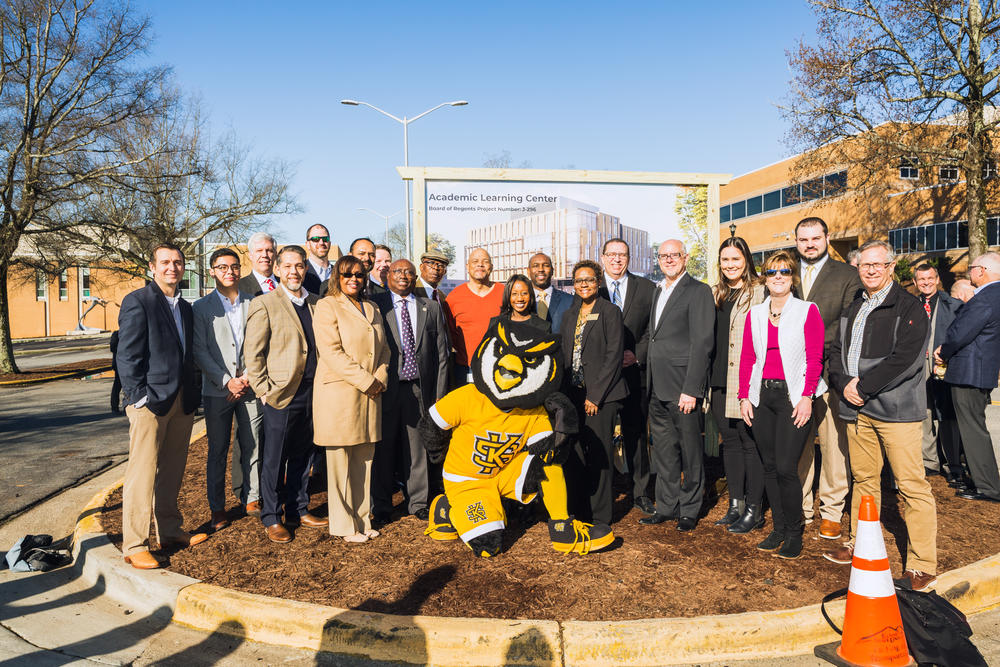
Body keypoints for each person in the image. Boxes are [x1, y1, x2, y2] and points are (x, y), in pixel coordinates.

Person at [825, 240, 937, 592]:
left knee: (911, 486)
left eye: (878, 264)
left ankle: (922, 563)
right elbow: (837, 352)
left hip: (896, 412)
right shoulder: (854, 305)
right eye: (864, 265)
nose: (871, 270)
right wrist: (844, 384)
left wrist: (864, 385)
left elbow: (905, 359)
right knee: (864, 480)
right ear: (857, 268)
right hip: (858, 409)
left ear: (891, 266)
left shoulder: (909, 307)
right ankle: (860, 543)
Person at [117, 243, 207, 569]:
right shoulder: (138, 301)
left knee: (172, 471)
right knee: (142, 473)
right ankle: (135, 543)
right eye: (165, 262)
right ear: (152, 267)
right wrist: (139, 397)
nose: (173, 267)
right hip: (149, 403)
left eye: (178, 262)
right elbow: (126, 356)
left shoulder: (185, 308)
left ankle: (169, 531)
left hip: (181, 401)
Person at [738, 251, 825, 559]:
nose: (778, 277)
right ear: (765, 277)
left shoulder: (807, 311)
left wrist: (807, 396)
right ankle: (777, 527)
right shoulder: (756, 314)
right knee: (770, 466)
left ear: (792, 278)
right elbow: (748, 358)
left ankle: (793, 531)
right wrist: (743, 396)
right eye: (772, 272)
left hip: (793, 397)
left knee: (787, 468)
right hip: (762, 397)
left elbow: (815, 358)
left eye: (784, 272)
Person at [244, 245, 328, 543]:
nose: (294, 271)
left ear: (306, 269)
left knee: (304, 456)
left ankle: (298, 508)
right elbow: (253, 354)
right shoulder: (265, 303)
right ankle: (271, 516)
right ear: (277, 270)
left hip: (313, 392)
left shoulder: (318, 303)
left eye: (300, 266)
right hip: (280, 394)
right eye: (288, 266)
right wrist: (263, 389)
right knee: (275, 458)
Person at [313, 255, 390, 543]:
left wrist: (380, 377)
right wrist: (366, 380)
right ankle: (345, 526)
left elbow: (384, 350)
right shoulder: (327, 306)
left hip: (370, 395)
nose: (353, 279)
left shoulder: (372, 307)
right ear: (337, 277)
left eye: (358, 274)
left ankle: (362, 519)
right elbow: (331, 352)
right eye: (347, 274)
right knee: (340, 464)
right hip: (340, 395)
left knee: (363, 461)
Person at [794, 217, 862, 541]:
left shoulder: (847, 275)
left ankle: (832, 510)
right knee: (799, 441)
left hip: (830, 368)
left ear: (827, 238)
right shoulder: (786, 273)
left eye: (815, 238)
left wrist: (819, 353)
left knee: (834, 443)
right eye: (803, 239)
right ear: (796, 242)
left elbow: (847, 324)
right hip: (793, 371)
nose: (809, 244)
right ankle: (802, 505)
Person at [642, 240, 714, 531]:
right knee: (664, 451)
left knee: (690, 451)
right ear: (658, 259)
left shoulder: (698, 291)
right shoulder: (659, 290)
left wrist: (692, 388)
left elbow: (703, 342)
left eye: (675, 255)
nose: (669, 259)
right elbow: (655, 336)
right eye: (663, 255)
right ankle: (667, 506)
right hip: (657, 387)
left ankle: (689, 509)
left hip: (683, 388)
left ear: (685, 258)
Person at [371, 259, 449, 525]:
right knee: (384, 448)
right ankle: (381, 505)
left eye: (409, 272)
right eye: (398, 271)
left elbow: (441, 354)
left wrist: (439, 393)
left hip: (420, 388)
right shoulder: (376, 306)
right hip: (386, 388)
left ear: (415, 277)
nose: (404, 276)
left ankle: (418, 502)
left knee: (418, 449)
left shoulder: (431, 307)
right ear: (388, 275)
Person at [192, 248, 263, 530]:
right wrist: (226, 381)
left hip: (250, 387)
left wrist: (245, 378)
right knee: (217, 450)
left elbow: (260, 344)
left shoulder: (255, 302)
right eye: (222, 267)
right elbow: (200, 350)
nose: (229, 272)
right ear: (212, 271)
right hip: (217, 389)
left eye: (234, 267)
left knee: (253, 444)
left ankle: (252, 497)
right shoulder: (201, 307)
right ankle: (218, 508)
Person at [559, 260, 628, 526]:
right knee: (575, 454)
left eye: (588, 280)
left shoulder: (610, 311)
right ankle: (579, 511)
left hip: (602, 397)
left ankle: (600, 517)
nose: (583, 285)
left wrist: (595, 395)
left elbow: (614, 356)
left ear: (598, 282)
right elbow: (565, 354)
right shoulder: (570, 314)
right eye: (578, 281)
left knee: (599, 456)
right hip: (573, 395)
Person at [709, 237, 766, 533]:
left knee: (749, 442)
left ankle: (754, 510)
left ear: (746, 260)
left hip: (745, 379)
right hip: (718, 379)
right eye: (725, 260)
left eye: (736, 259)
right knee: (729, 443)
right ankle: (736, 504)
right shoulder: (715, 293)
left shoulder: (759, 292)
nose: (730, 265)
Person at [598, 238, 657, 515]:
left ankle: (641, 492)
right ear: (602, 258)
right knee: (602, 435)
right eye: (611, 254)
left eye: (622, 255)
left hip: (635, 373)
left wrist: (638, 353)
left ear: (629, 258)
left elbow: (652, 329)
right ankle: (603, 495)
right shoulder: (591, 289)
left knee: (635, 434)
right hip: (601, 378)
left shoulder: (646, 288)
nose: (617, 260)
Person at [935, 251, 1000, 503]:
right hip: (979, 372)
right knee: (975, 427)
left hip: (969, 373)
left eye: (971, 267)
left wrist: (944, 352)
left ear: (981, 271)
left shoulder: (985, 298)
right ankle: (985, 482)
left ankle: (988, 487)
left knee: (973, 430)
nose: (969, 272)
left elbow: (961, 332)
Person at [912, 263, 964, 483]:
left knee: (947, 415)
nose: (926, 283)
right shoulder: (910, 305)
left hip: (944, 365)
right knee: (924, 414)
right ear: (915, 282)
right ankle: (929, 462)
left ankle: (953, 464)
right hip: (917, 366)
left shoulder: (953, 305)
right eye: (922, 279)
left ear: (937, 279)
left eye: (930, 278)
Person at [445, 248, 504, 384]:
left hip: (500, 366)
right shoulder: (454, 297)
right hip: (466, 369)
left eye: (485, 261)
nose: (480, 265)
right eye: (475, 261)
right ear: (467, 267)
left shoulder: (505, 293)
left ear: (491, 267)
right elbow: (450, 334)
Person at [319, 237, 385, 297]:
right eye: (361, 253)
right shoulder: (328, 287)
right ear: (349, 255)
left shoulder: (381, 292)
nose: (367, 258)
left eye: (372, 255)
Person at [527, 252, 573, 333]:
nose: (541, 269)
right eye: (536, 266)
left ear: (552, 271)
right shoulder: (520, 302)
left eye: (546, 265)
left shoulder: (569, 301)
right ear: (528, 271)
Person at [302, 224, 341, 296]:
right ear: (307, 244)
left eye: (325, 239)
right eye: (315, 239)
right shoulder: (301, 272)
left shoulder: (339, 273)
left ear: (329, 243)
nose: (321, 243)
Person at [238, 232, 279, 296]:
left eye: (269, 251)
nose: (264, 255)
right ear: (250, 255)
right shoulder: (238, 287)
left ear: (275, 255)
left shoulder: (286, 285)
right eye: (259, 251)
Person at [109, 330, 122, 414]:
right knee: (117, 386)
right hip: (119, 364)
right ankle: (114, 407)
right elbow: (112, 348)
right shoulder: (116, 334)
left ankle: (126, 405)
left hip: (122, 363)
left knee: (119, 386)